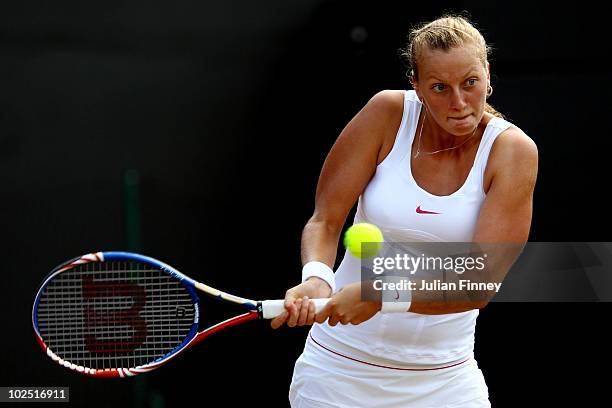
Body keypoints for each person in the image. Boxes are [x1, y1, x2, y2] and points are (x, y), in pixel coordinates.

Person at [271, 14, 538, 408]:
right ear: (416, 84)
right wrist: (317, 278)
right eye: (439, 87)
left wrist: (379, 293)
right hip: (337, 375)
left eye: (470, 83)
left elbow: (480, 281)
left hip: (445, 384)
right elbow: (326, 220)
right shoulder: (385, 113)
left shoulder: (513, 152)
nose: (460, 103)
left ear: (487, 73)